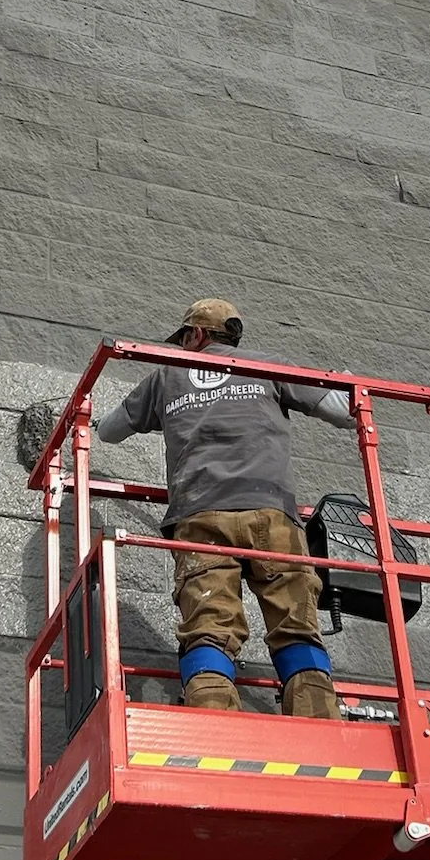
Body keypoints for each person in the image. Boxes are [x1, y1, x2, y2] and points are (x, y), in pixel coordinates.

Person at [94, 298, 354, 719]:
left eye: (182, 339)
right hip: (272, 516)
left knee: (209, 629)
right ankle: (317, 721)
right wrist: (343, 382)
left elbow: (108, 431)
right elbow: (346, 414)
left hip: (200, 518)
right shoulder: (268, 366)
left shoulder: (166, 374)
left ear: (196, 335)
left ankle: (214, 725)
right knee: (296, 626)